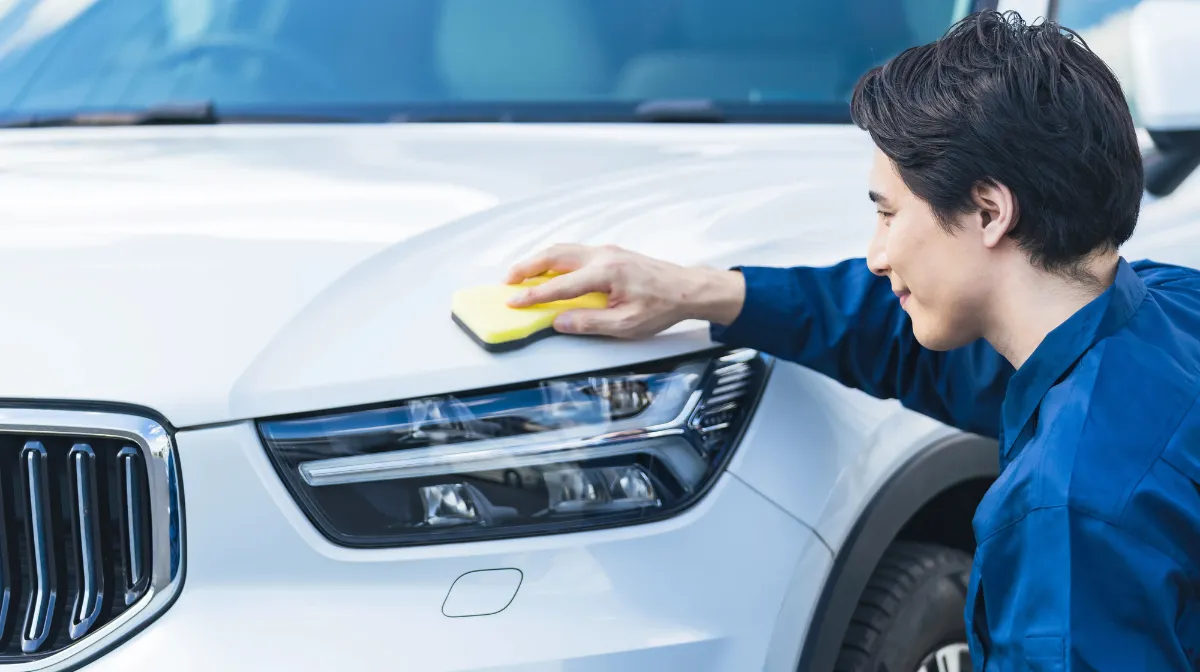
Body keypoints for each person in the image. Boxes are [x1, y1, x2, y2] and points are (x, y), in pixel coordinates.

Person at [503, 9, 1200, 672]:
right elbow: (906, 339)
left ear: (989, 211)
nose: (877, 254)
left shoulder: (1067, 512)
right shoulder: (1170, 311)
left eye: (889, 215)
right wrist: (698, 292)